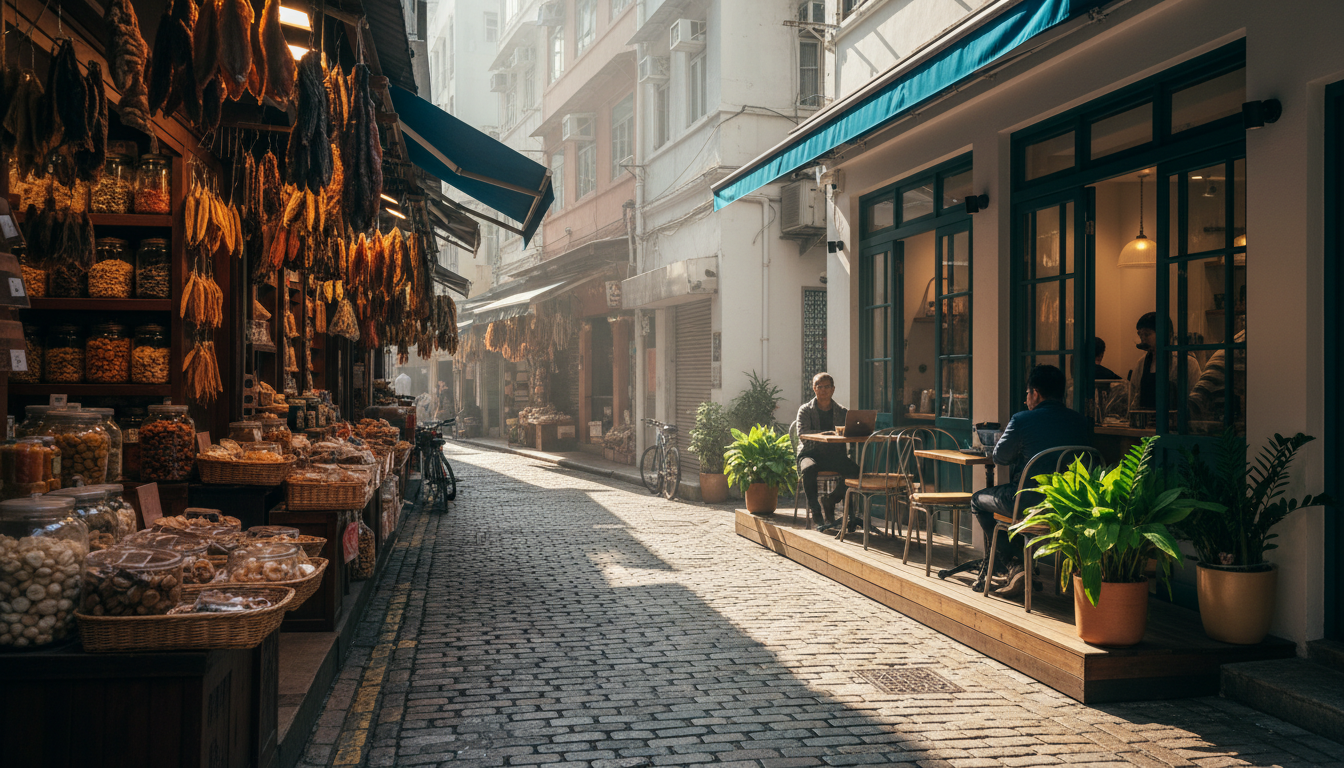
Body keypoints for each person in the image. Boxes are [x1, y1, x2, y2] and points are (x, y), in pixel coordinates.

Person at [971, 364, 1090, 598]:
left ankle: (1015, 563)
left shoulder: (1022, 420)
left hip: (1028, 501)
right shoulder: (1081, 422)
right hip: (1068, 505)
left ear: (1035, 392)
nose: (1026, 399)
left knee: (977, 500)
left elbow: (1000, 457)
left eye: (1027, 394)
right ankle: (1021, 567)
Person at [795, 372, 860, 531]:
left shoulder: (842, 411)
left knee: (856, 471)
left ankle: (831, 500)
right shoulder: (805, 410)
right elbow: (802, 434)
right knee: (809, 469)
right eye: (819, 387)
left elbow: (850, 433)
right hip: (810, 453)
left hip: (834, 455)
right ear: (814, 389)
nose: (823, 390)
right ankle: (816, 511)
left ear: (833, 389)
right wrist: (825, 435)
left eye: (827, 387)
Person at [1127, 312, 1202, 412]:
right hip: (1146, 423)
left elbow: (1196, 401)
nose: (1142, 339)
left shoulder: (1187, 363)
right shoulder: (1141, 363)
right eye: (1140, 335)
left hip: (1174, 423)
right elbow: (1133, 398)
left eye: (1147, 334)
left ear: (1165, 334)